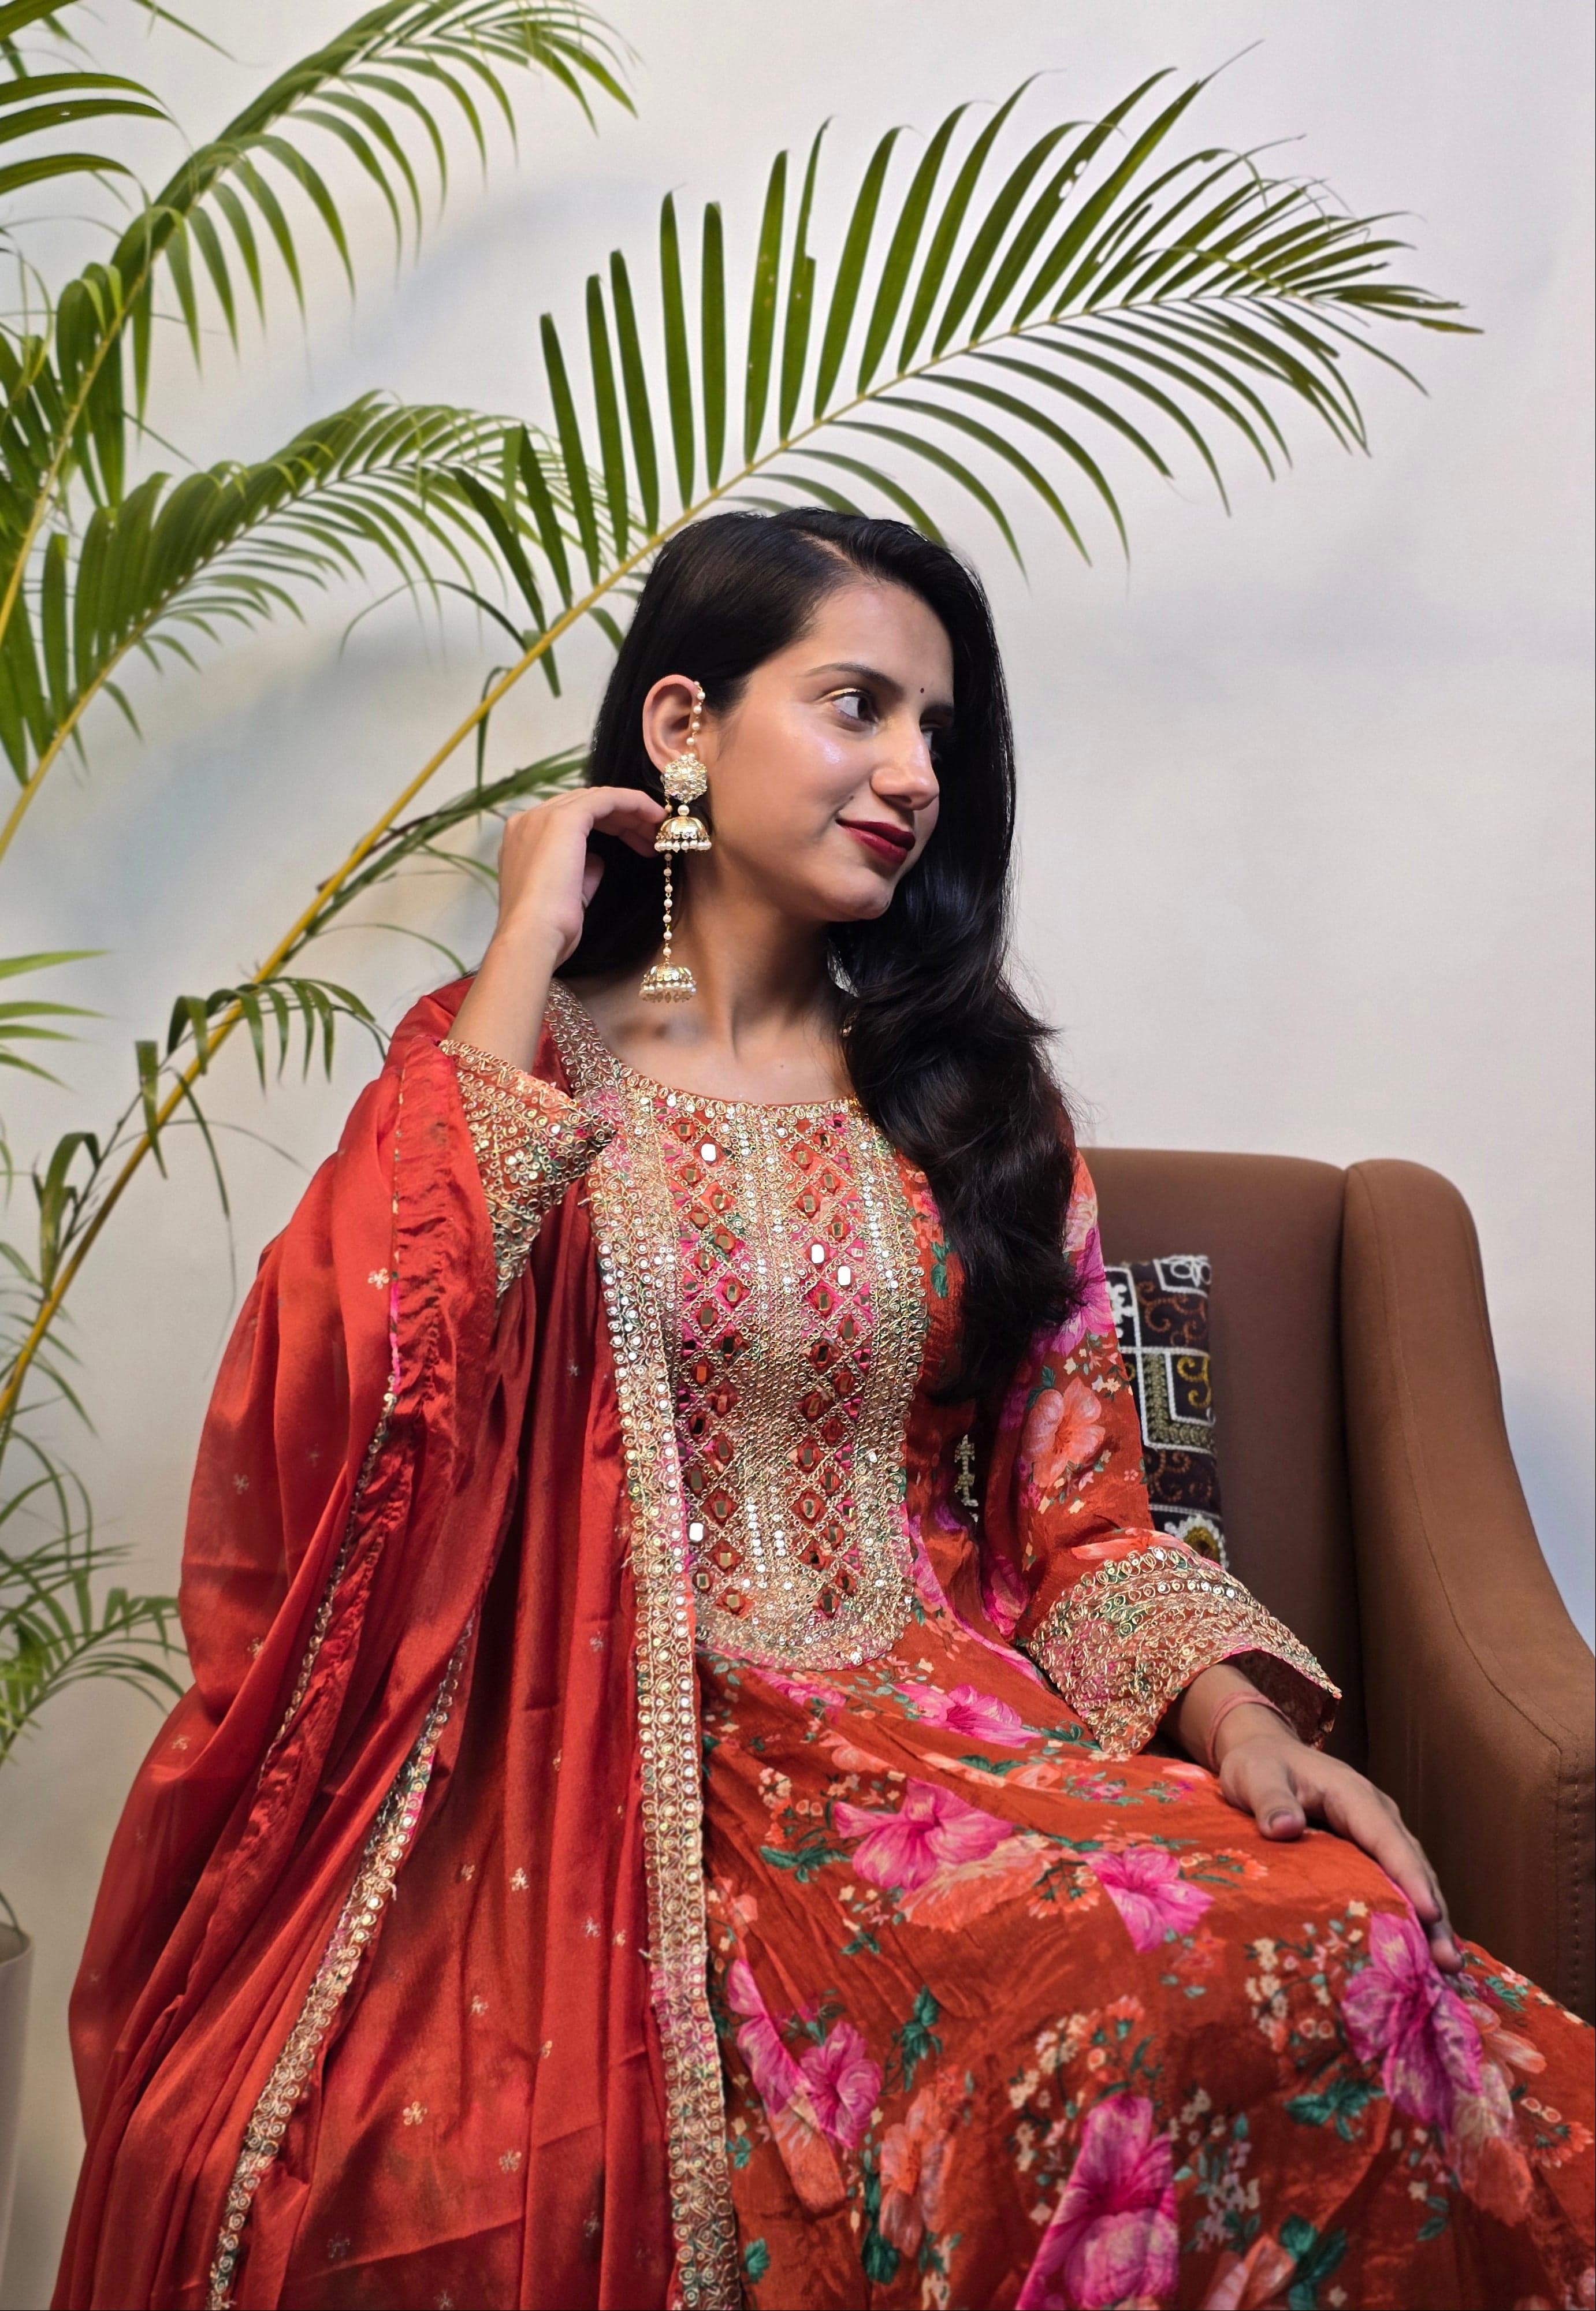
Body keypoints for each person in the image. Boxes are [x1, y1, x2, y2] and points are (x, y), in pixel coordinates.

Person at [55, 512, 1592, 2311]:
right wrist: (524, 942)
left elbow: (1077, 1512)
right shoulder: (512, 1067)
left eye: (939, 731)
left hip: (943, 1739)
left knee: (1314, 1940)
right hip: (602, 1755)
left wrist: (1237, 1724)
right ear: (686, 728)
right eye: (858, 705)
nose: (913, 773)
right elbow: (363, 1392)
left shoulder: (971, 1108)